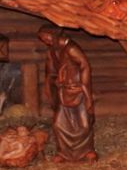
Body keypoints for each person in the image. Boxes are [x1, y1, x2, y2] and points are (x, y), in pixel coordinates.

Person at [38, 27, 97, 162]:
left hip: (78, 90)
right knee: (59, 123)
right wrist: (50, 84)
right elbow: (50, 71)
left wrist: (83, 85)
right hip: (63, 91)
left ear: (54, 34)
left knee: (84, 124)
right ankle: (63, 153)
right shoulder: (53, 51)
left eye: (46, 37)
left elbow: (85, 65)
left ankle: (87, 151)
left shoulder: (71, 48)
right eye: (42, 39)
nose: (45, 41)